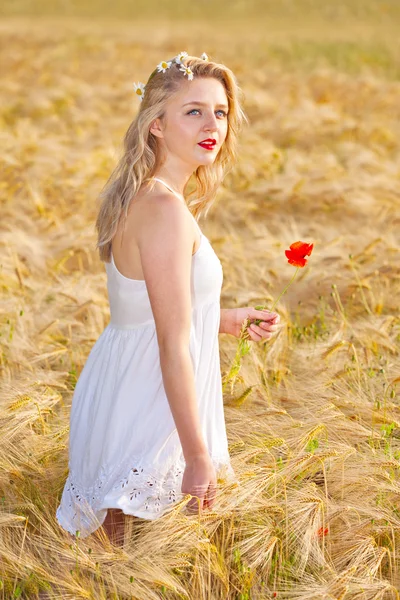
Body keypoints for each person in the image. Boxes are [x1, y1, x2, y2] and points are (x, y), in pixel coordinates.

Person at [55, 51, 280, 546]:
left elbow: (148, 308)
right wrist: (198, 456)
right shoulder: (164, 209)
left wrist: (224, 319)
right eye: (193, 111)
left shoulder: (152, 197)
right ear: (156, 125)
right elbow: (171, 344)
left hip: (130, 390)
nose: (212, 125)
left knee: (119, 562)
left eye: (220, 112)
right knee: (127, 563)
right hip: (146, 404)